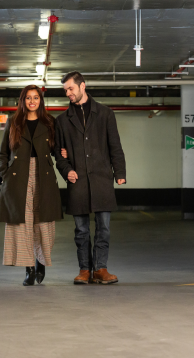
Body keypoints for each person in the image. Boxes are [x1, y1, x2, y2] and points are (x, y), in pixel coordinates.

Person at [54, 71, 126, 285]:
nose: (68, 93)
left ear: (82, 86)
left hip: (102, 179)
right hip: (78, 182)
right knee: (81, 230)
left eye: (71, 89)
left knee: (103, 228)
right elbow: (58, 153)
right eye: (65, 90)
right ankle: (85, 269)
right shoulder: (62, 121)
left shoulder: (105, 114)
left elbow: (115, 145)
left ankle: (101, 269)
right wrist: (67, 170)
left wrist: (120, 172)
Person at [0, 85, 63, 286]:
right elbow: (2, 153)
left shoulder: (50, 122)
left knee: (42, 224)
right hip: (19, 179)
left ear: (40, 101)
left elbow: (57, 150)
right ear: (22, 101)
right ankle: (29, 270)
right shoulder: (14, 122)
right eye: (28, 98)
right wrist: (5, 174)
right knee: (23, 225)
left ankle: (40, 262)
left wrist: (65, 156)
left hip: (44, 177)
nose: (32, 101)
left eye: (36, 97)